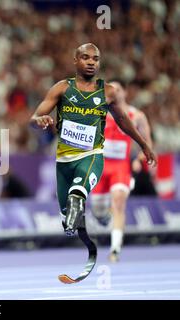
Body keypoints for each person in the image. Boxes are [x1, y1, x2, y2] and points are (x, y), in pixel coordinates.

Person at [30, 43, 156, 240]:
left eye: (95, 59)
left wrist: (144, 145)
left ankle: (78, 201)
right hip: (64, 159)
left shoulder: (108, 92)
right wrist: (39, 120)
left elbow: (124, 121)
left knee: (77, 192)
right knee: (66, 215)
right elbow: (34, 118)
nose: (91, 62)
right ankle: (71, 215)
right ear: (75, 60)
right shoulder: (62, 88)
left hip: (92, 155)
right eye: (85, 57)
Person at [91, 80, 153, 262]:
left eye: (117, 89)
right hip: (101, 167)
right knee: (98, 210)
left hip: (121, 167)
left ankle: (115, 249)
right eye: (110, 89)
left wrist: (139, 160)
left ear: (124, 92)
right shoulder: (99, 113)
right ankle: (104, 217)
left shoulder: (137, 116)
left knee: (118, 202)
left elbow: (147, 144)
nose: (114, 92)